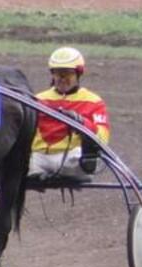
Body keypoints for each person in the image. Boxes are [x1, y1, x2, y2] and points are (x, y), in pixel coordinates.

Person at [29, 47, 110, 182]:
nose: (62, 79)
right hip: (39, 158)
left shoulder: (94, 102)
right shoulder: (38, 100)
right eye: (58, 74)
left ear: (78, 74)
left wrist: (81, 122)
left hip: (72, 160)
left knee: (82, 159)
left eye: (67, 74)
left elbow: (103, 138)